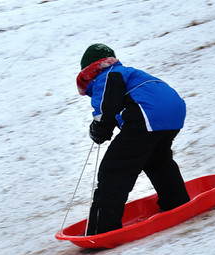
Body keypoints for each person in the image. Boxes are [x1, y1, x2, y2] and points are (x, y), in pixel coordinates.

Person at [76, 44, 191, 235]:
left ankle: (102, 228)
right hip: (173, 113)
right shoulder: (128, 72)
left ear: (88, 71)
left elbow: (106, 107)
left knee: (114, 169)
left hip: (148, 114)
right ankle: (177, 203)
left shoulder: (107, 76)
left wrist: (99, 129)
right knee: (157, 161)